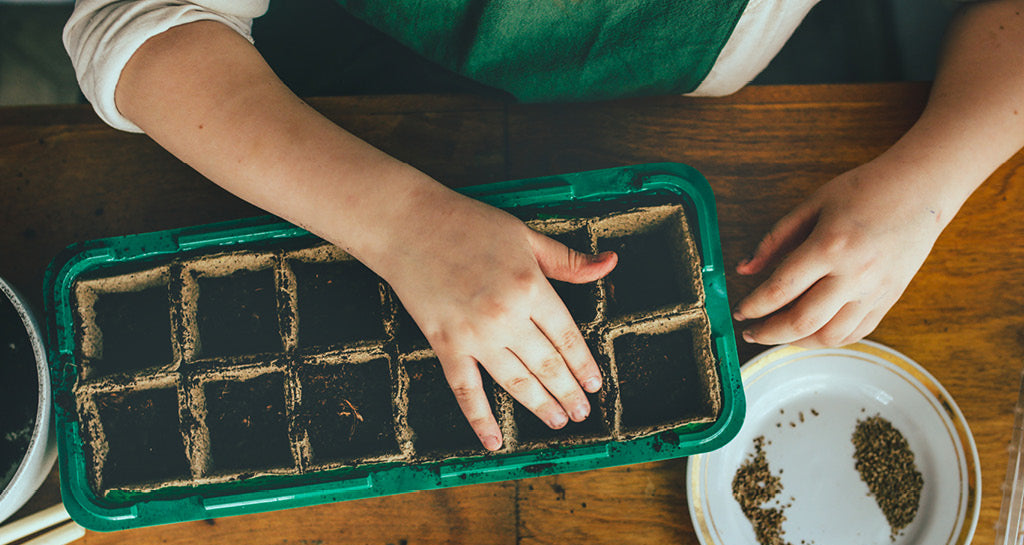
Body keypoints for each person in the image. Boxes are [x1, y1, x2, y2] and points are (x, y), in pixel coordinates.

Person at [63, 0, 1024, 451]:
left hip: (764, 74)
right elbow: (138, 34)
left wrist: (927, 182)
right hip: (364, 92)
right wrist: (403, 223)